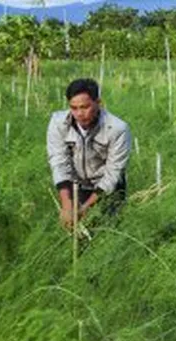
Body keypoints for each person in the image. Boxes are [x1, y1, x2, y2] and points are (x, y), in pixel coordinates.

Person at [46, 78, 132, 230]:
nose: (79, 113)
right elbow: (59, 161)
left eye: (85, 107)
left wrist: (86, 207)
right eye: (73, 108)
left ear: (98, 103)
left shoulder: (117, 129)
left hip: (107, 189)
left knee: (108, 232)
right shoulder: (58, 123)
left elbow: (113, 173)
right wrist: (67, 205)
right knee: (76, 235)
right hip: (76, 185)